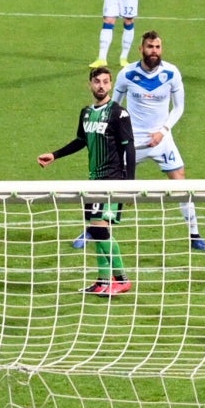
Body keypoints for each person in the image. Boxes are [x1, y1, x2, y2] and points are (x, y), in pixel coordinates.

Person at [38, 63, 138, 297]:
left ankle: (121, 279)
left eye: (105, 81)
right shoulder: (86, 113)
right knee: (97, 231)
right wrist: (55, 155)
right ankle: (103, 281)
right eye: (97, 82)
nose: (101, 86)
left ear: (111, 84)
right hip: (93, 181)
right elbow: (81, 140)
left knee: (100, 230)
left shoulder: (118, 113)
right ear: (90, 85)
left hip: (112, 180)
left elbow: (129, 148)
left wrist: (131, 185)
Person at [115, 31, 205, 251]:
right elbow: (114, 106)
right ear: (141, 49)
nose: (154, 51)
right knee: (111, 185)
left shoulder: (171, 73)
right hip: (133, 141)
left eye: (157, 47)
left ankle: (194, 234)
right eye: (149, 47)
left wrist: (163, 130)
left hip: (162, 139)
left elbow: (179, 107)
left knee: (180, 181)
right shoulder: (127, 74)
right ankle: (93, 229)